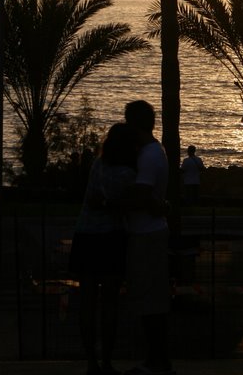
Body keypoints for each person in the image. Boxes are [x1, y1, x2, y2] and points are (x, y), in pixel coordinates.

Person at [69, 122, 139, 375]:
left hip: (85, 235)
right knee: (110, 303)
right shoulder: (128, 174)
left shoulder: (98, 164)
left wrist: (106, 203)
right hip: (110, 239)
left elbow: (95, 200)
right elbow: (123, 205)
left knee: (87, 302)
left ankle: (91, 362)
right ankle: (106, 361)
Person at [123, 99, 174, 375]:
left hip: (147, 235)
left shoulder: (150, 155)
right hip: (148, 232)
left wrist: (115, 200)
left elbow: (142, 196)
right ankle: (155, 360)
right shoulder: (153, 152)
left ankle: (157, 361)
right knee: (149, 299)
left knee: (150, 301)